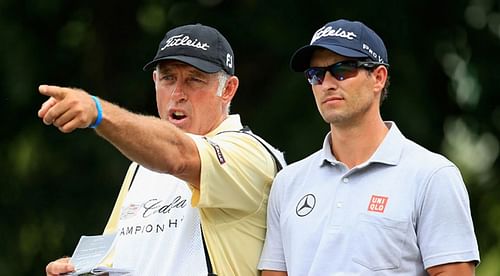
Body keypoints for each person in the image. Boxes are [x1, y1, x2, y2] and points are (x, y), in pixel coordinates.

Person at [40, 23, 285, 276]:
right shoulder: (141, 165)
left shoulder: (250, 152)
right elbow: (115, 261)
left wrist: (98, 112)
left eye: (194, 79)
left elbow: (179, 156)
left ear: (228, 89)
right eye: (168, 78)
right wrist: (79, 270)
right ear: (155, 81)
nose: (177, 93)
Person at [258, 19, 480, 276]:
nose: (327, 83)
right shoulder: (288, 183)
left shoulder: (432, 175)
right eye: (316, 75)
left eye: (342, 70)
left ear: (378, 77)